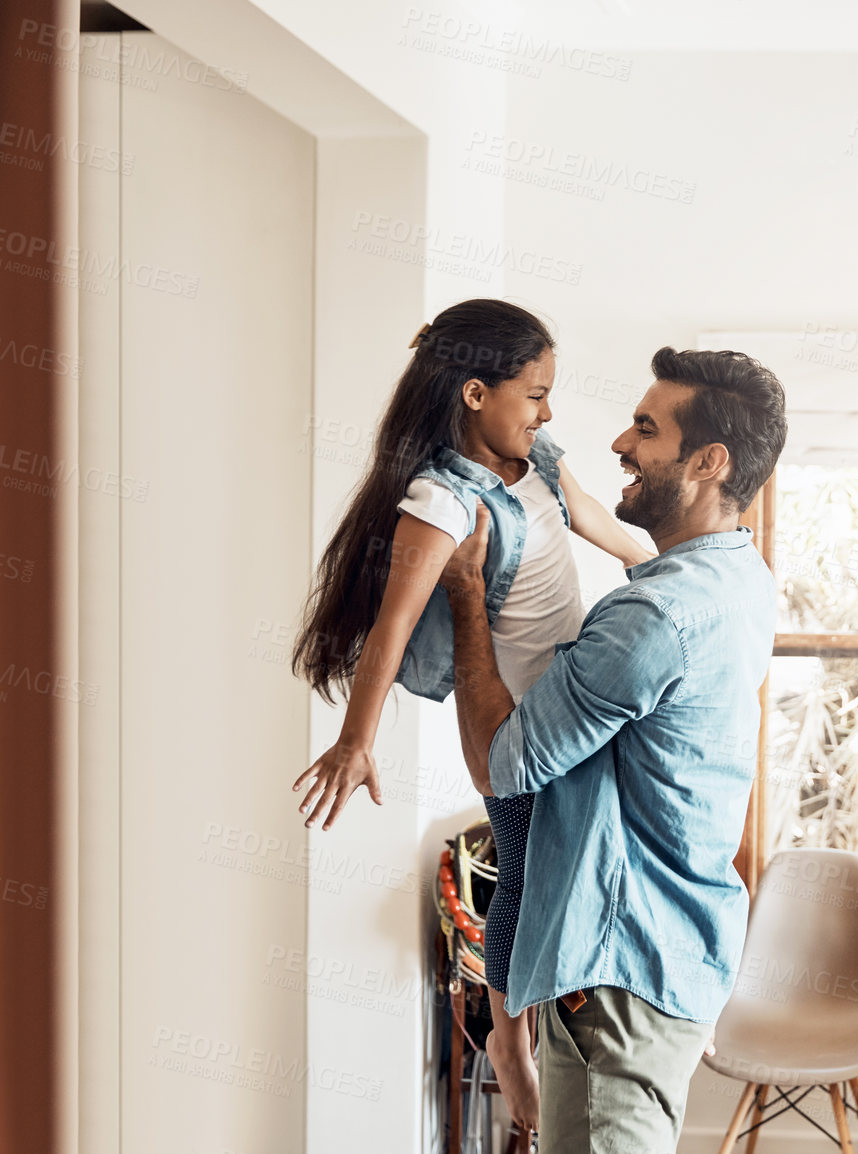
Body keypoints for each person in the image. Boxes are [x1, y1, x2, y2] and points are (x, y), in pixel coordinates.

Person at [287, 299, 653, 1133]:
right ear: (478, 393)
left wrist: (670, 569)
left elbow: (594, 519)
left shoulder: (540, 460)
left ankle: (635, 1003)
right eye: (536, 393)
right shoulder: (442, 501)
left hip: (578, 696)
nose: (550, 411)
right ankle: (512, 1049)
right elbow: (392, 625)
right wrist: (355, 741)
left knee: (609, 846)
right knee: (523, 870)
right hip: (519, 726)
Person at [435, 346, 786, 1153]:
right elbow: (617, 535)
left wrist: (464, 597)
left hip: (615, 972)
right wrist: (539, 455)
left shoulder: (653, 618)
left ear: (707, 460)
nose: (623, 443)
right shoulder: (735, 577)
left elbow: (501, 766)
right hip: (674, 955)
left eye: (644, 429)